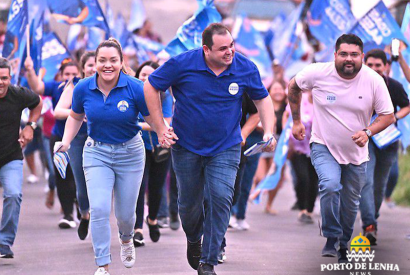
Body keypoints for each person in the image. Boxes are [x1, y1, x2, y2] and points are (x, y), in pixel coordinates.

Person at [144, 23, 276, 275]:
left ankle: (209, 260)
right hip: (186, 146)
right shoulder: (183, 64)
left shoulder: (245, 67)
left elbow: (262, 99)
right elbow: (151, 86)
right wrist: (160, 127)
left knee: (221, 198)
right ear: (206, 49)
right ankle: (194, 239)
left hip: (226, 147)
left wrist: (268, 130)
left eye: (232, 46)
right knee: (189, 206)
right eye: (223, 48)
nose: (230, 52)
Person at [288, 34, 395, 263]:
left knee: (349, 204)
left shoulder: (373, 80)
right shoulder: (317, 72)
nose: (349, 59)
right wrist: (296, 121)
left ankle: (343, 243)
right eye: (344, 54)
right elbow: (293, 86)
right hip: (323, 144)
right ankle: (331, 236)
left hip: (357, 154)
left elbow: (388, 115)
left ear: (362, 57)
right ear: (335, 55)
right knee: (329, 184)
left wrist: (367, 132)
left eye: (354, 55)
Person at [56, 38, 155, 275]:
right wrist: (66, 142)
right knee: (98, 209)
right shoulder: (83, 87)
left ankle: (127, 238)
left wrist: (164, 133)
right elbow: (75, 116)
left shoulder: (135, 87)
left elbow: (152, 117)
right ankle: (102, 264)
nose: (107, 65)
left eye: (113, 60)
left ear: (122, 63)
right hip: (96, 152)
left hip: (130, 153)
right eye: (102, 60)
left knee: (125, 214)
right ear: (95, 63)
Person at [359, 49, 410, 245]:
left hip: (388, 141)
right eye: (369, 65)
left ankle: (372, 216)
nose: (373, 69)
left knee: (380, 185)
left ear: (386, 66)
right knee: (366, 181)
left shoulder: (394, 86)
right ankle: (370, 225)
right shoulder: (357, 86)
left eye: (378, 65)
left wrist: (394, 117)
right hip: (366, 139)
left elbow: (407, 105)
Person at [25, 57, 80, 229]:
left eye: (74, 74)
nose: (70, 77)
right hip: (58, 138)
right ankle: (67, 214)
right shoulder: (57, 87)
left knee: (79, 177)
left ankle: (82, 208)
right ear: (60, 75)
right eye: (66, 74)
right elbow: (37, 87)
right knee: (62, 175)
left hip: (80, 140)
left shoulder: (85, 88)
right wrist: (30, 71)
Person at [0, 57, 43, 258]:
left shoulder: (18, 94)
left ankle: (4, 243)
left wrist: (30, 126)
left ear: (9, 78)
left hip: (10, 156)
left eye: (4, 78)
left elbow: (38, 103)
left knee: (13, 194)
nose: (1, 82)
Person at [54, 51, 97, 240]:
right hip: (79, 139)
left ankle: (97, 222)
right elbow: (58, 111)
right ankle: (85, 214)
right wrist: (78, 112)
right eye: (90, 65)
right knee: (81, 184)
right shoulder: (76, 85)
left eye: (98, 63)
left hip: (103, 139)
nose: (94, 68)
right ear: (83, 68)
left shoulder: (110, 83)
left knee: (100, 183)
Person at [133, 61, 173, 247]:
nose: (146, 78)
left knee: (156, 188)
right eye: (143, 74)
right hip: (136, 148)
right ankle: (138, 229)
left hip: (160, 147)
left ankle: (153, 219)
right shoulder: (132, 94)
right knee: (138, 188)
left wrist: (139, 124)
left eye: (150, 75)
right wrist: (153, 125)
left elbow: (165, 124)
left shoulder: (164, 97)